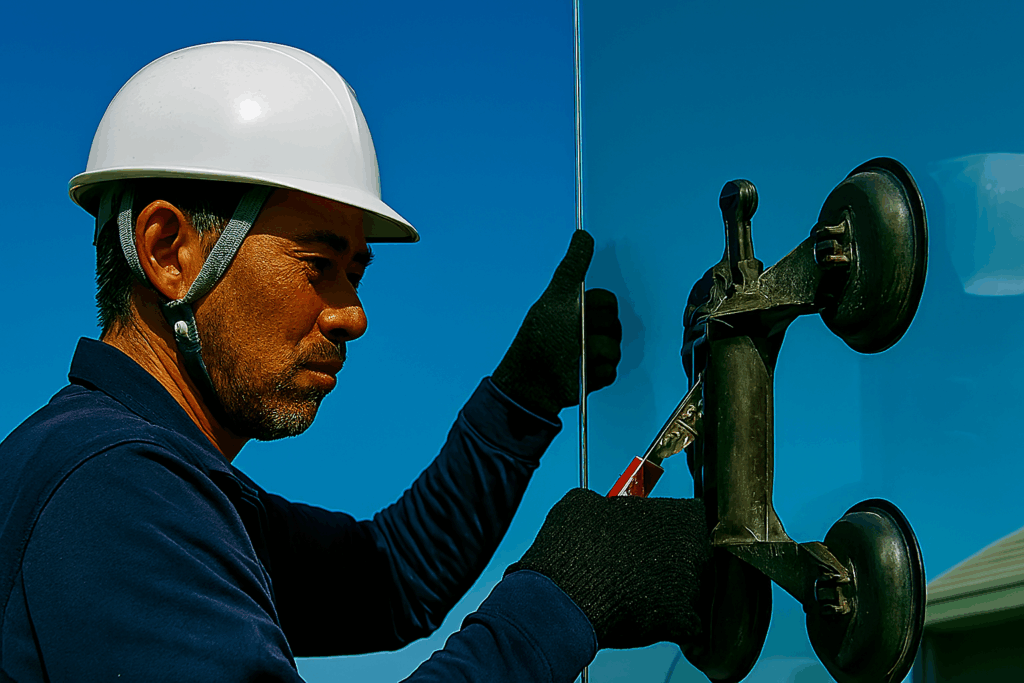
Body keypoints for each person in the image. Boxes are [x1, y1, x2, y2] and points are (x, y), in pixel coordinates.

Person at [0, 41, 711, 682]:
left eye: (357, 273)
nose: (354, 314)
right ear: (168, 251)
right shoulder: (114, 494)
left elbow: (395, 578)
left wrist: (522, 394)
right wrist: (566, 599)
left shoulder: (143, 478)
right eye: (318, 264)